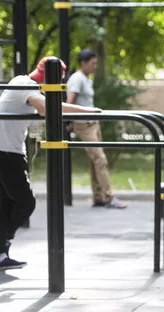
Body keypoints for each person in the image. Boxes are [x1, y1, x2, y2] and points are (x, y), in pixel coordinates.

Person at [0, 56, 102, 271]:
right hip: (7, 154)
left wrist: (81, 110)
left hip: (2, 151)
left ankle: (0, 255)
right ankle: (4, 240)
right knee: (26, 203)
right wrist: (85, 111)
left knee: (6, 205)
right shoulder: (26, 85)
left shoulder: (22, 84)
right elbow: (46, 109)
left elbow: (43, 111)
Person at [66, 49, 126, 209]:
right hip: (84, 125)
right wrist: (69, 122)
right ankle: (109, 197)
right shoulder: (77, 79)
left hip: (93, 123)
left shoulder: (86, 79)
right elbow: (70, 102)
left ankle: (98, 197)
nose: (95, 66)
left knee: (94, 161)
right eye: (93, 63)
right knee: (100, 159)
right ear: (83, 63)